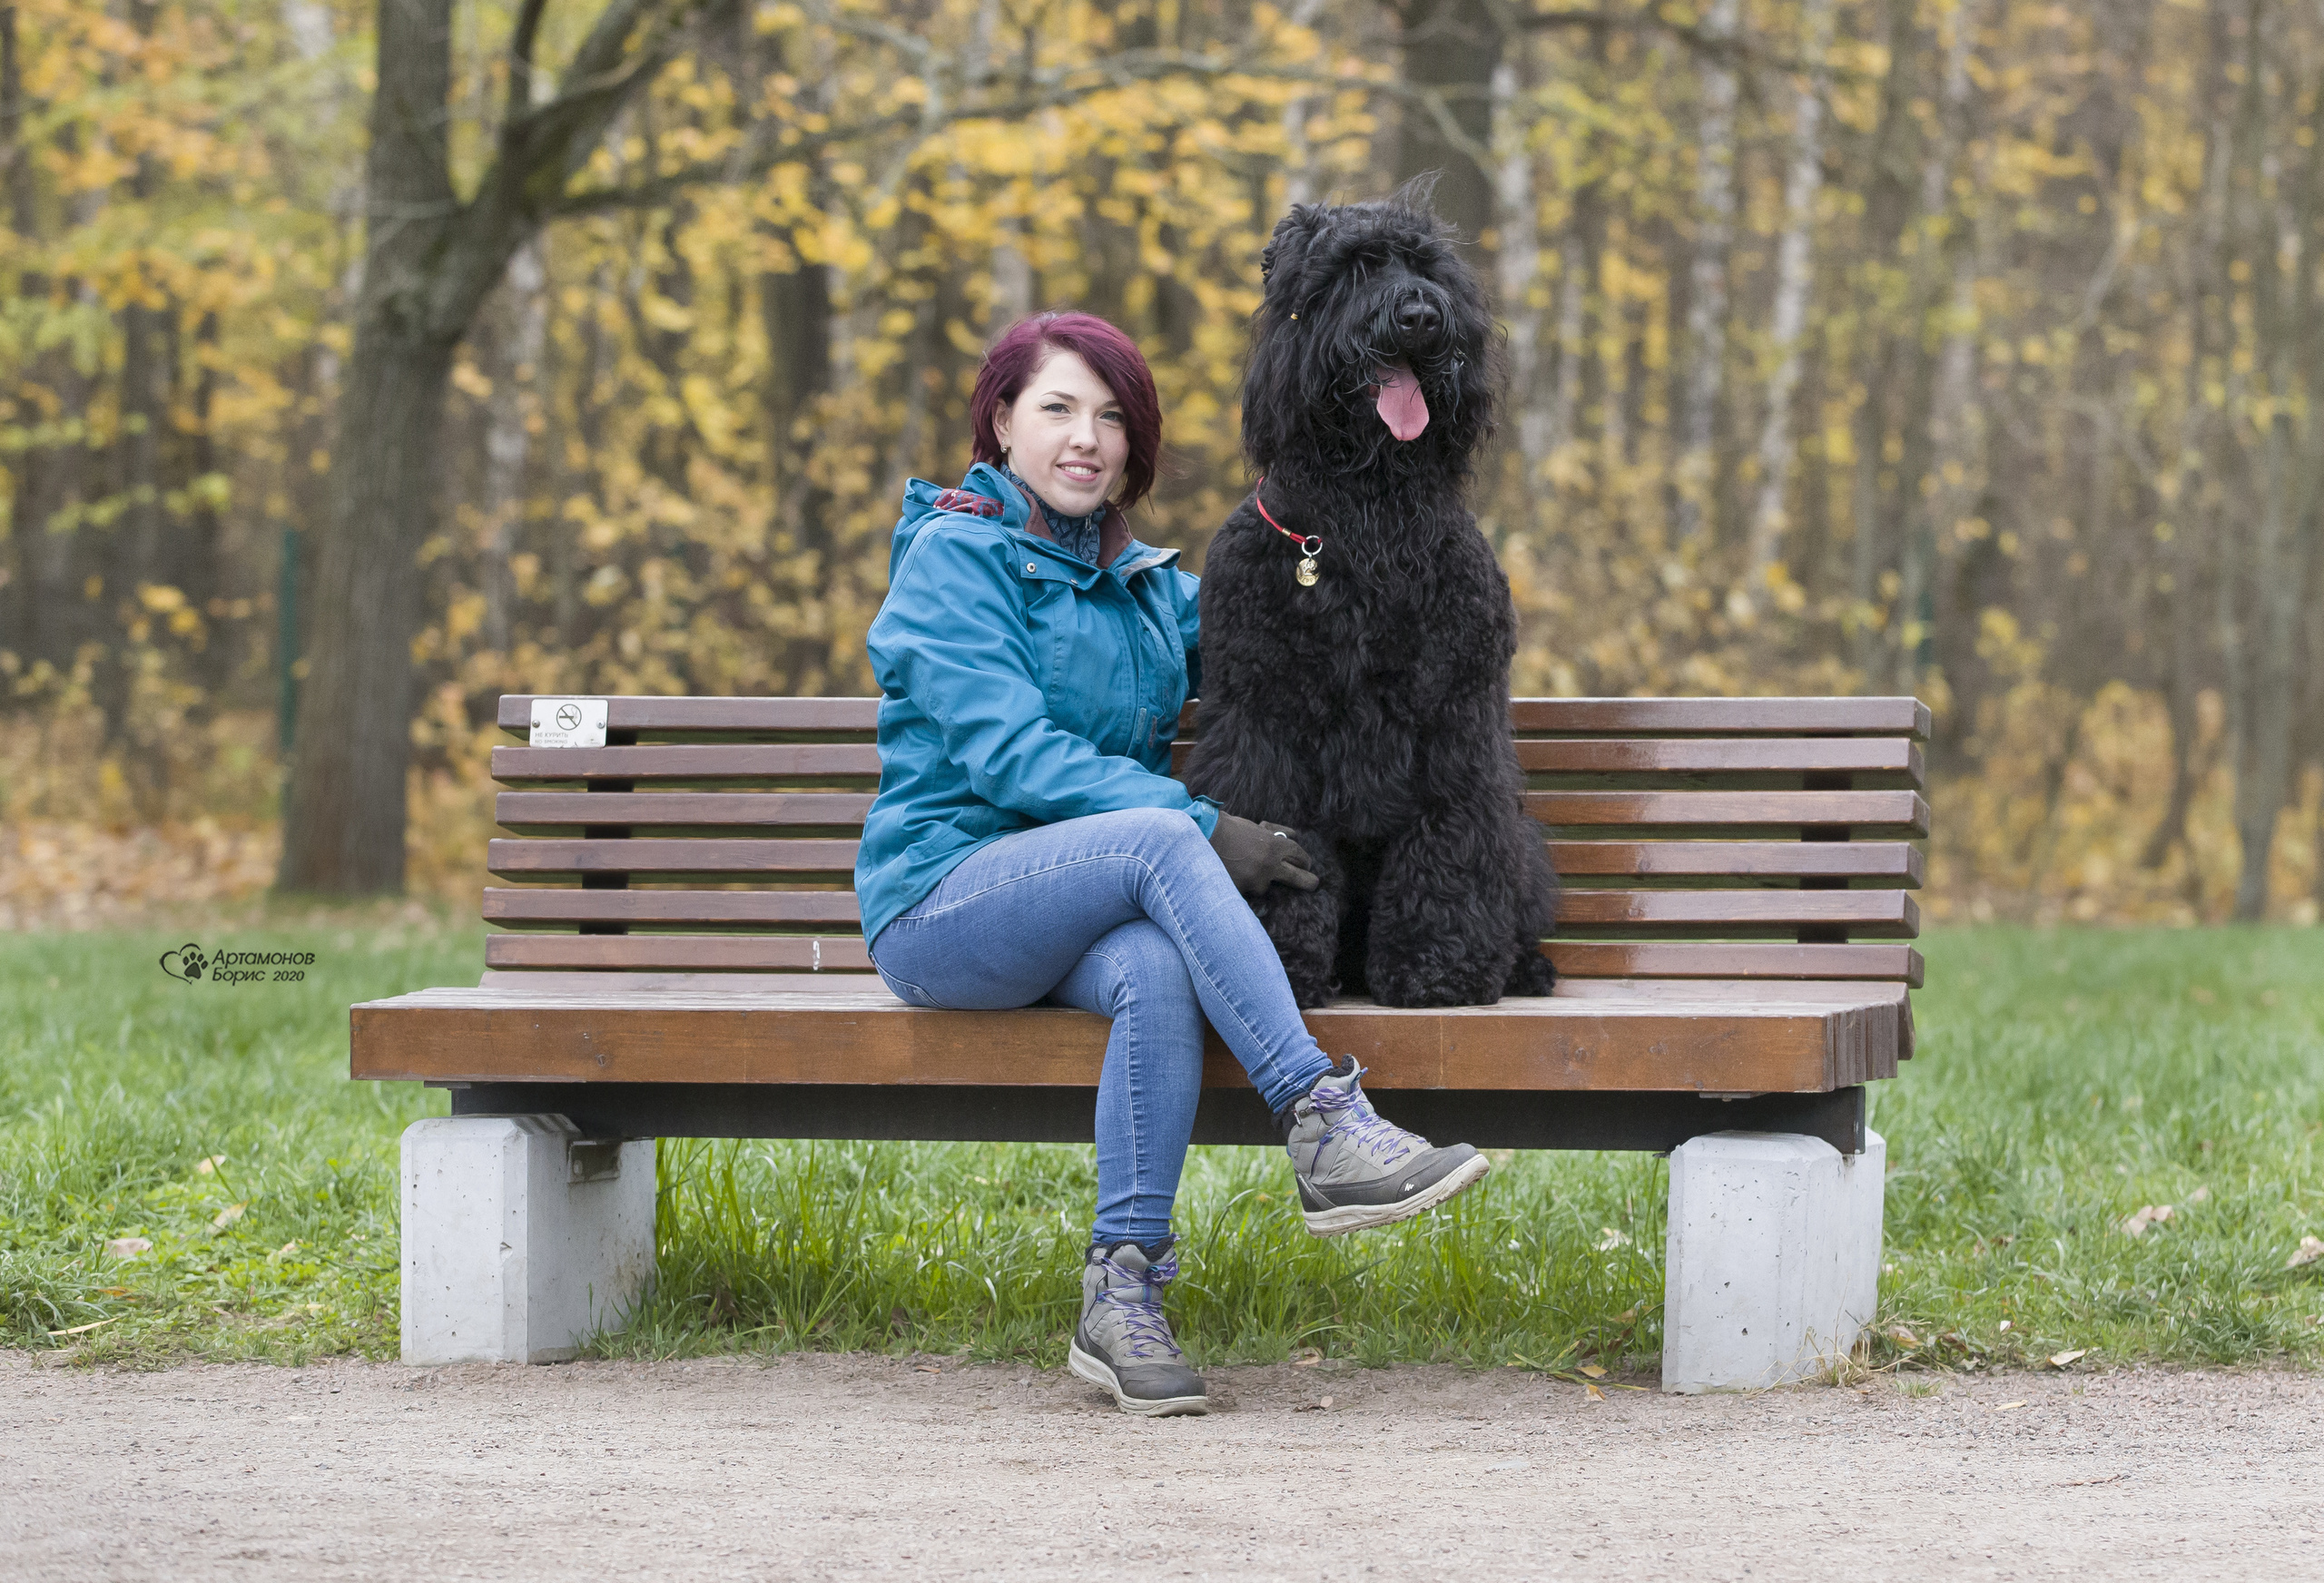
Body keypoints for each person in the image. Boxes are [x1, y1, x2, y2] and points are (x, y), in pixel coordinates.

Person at [856, 310, 1490, 1418]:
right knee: (1160, 837)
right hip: (944, 901)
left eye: (1111, 418)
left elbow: (1278, 649)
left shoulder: (1148, 587)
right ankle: (1321, 1117)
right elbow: (1010, 755)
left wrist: (1375, 562)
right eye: (1056, 409)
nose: (1084, 439)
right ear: (1002, 421)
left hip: (1081, 918)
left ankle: (1123, 1287)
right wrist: (1202, 826)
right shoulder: (953, 558)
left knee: (1155, 969)